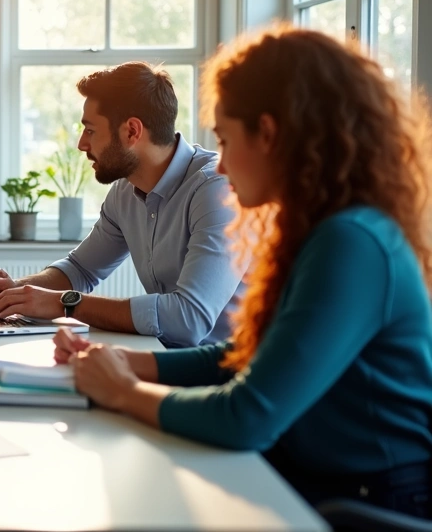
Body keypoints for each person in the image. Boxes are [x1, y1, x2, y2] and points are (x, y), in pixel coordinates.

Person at [54, 26, 432, 517]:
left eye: (228, 141)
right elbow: (248, 356)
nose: (224, 167)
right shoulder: (322, 230)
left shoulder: (351, 242)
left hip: (366, 501)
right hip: (319, 477)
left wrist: (124, 391)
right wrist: (130, 362)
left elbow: (247, 415)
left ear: (270, 135)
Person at [0, 62, 244, 348]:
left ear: (131, 131)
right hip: (167, 357)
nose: (80, 144)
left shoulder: (218, 189)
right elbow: (80, 270)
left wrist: (65, 304)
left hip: (226, 375)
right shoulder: (125, 191)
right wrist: (18, 290)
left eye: (90, 130)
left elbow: (189, 320)